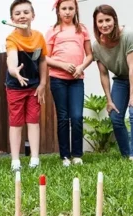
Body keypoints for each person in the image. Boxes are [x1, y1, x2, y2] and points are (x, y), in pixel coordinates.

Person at [92, 5, 133, 160]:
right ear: (95, 23)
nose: (104, 24)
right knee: (115, 116)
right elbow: (104, 74)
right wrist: (109, 100)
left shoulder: (128, 35)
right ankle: (126, 155)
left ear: (114, 20)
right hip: (120, 77)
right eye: (100, 21)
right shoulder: (96, 46)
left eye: (108, 20)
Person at [45, 0, 93, 167]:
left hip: (76, 80)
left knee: (77, 117)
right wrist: (63, 65)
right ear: (58, 10)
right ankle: (65, 156)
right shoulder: (52, 31)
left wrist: (81, 67)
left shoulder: (82, 29)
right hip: (58, 79)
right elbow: (45, 57)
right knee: (63, 118)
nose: (67, 12)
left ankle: (77, 154)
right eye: (64, 8)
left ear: (75, 9)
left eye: (70, 8)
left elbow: (89, 55)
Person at [5, 0, 47, 171]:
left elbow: (43, 60)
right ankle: (15, 161)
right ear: (12, 18)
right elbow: (11, 57)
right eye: (17, 13)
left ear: (32, 16)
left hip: (34, 87)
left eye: (25, 12)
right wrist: (14, 70)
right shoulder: (11, 38)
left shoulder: (39, 37)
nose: (22, 16)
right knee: (15, 122)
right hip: (15, 86)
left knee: (33, 121)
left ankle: (34, 159)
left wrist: (43, 83)